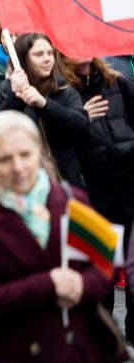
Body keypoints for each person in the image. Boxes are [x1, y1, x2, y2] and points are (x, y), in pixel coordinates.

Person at [0, 111, 118, 362]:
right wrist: (48, 285)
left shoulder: (72, 200)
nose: (18, 167)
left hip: (73, 350)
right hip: (8, 353)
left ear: (38, 151)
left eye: (25, 155)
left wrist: (81, 287)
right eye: (4, 159)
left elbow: (105, 266)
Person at [61, 55, 134, 335]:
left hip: (127, 184)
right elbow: (62, 140)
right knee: (99, 264)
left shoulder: (117, 83)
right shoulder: (64, 91)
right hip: (92, 187)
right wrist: (81, 117)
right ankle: (103, 330)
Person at [0, 33, 88, 187]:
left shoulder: (63, 90)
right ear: (23, 59)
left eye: (50, 53)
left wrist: (45, 105)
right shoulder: (2, 94)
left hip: (65, 186)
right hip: (17, 187)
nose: (47, 59)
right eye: (39, 54)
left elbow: (81, 126)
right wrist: (15, 97)